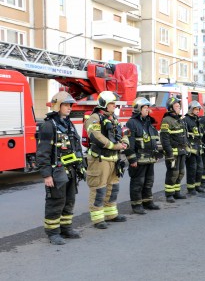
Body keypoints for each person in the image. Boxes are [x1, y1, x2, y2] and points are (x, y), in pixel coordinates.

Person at [36, 91, 85, 245]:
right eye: (66, 105)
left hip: (70, 170)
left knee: (69, 200)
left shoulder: (67, 124)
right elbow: (42, 152)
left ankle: (66, 228)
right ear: (58, 105)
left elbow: (76, 146)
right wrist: (46, 175)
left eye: (70, 105)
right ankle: (53, 233)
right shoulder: (48, 126)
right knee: (56, 201)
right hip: (56, 172)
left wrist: (81, 165)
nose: (70, 107)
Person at [84, 91, 129, 229]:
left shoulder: (113, 118)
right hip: (100, 160)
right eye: (111, 103)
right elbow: (96, 136)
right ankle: (98, 219)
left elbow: (123, 131)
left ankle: (111, 214)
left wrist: (125, 142)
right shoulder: (94, 118)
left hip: (113, 159)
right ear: (104, 104)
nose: (114, 106)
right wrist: (115, 146)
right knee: (99, 188)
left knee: (112, 188)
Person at [124, 97, 161, 214]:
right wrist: (132, 159)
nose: (147, 110)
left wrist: (157, 153)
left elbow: (153, 138)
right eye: (144, 108)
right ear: (138, 109)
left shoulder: (148, 122)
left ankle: (147, 202)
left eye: (147, 108)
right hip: (139, 159)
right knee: (138, 183)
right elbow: (129, 143)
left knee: (149, 181)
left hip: (149, 158)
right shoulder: (132, 123)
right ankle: (136, 205)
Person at [160, 97, 188, 203]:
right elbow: (165, 139)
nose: (179, 108)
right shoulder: (167, 120)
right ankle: (169, 194)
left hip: (181, 151)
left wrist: (187, 147)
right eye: (176, 106)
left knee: (181, 172)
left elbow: (183, 135)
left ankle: (177, 192)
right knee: (173, 173)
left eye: (179, 106)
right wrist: (169, 153)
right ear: (171, 108)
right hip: (173, 152)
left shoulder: (179, 119)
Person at [184, 100, 205, 195]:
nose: (197, 111)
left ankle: (197, 185)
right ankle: (191, 188)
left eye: (198, 109)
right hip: (190, 149)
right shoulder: (185, 120)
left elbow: (200, 133)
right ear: (191, 110)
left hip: (198, 148)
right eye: (196, 109)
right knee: (192, 169)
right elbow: (184, 135)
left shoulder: (197, 119)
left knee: (200, 168)